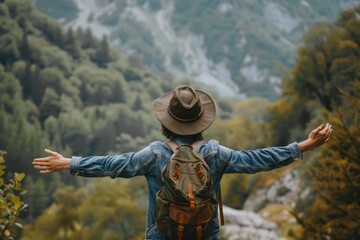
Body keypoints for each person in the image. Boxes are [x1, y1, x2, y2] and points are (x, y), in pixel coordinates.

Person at [33, 85, 332, 240]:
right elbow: (257, 160)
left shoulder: (153, 155)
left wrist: (70, 163)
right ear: (201, 121)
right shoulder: (215, 153)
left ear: (166, 122)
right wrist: (302, 145)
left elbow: (114, 165)